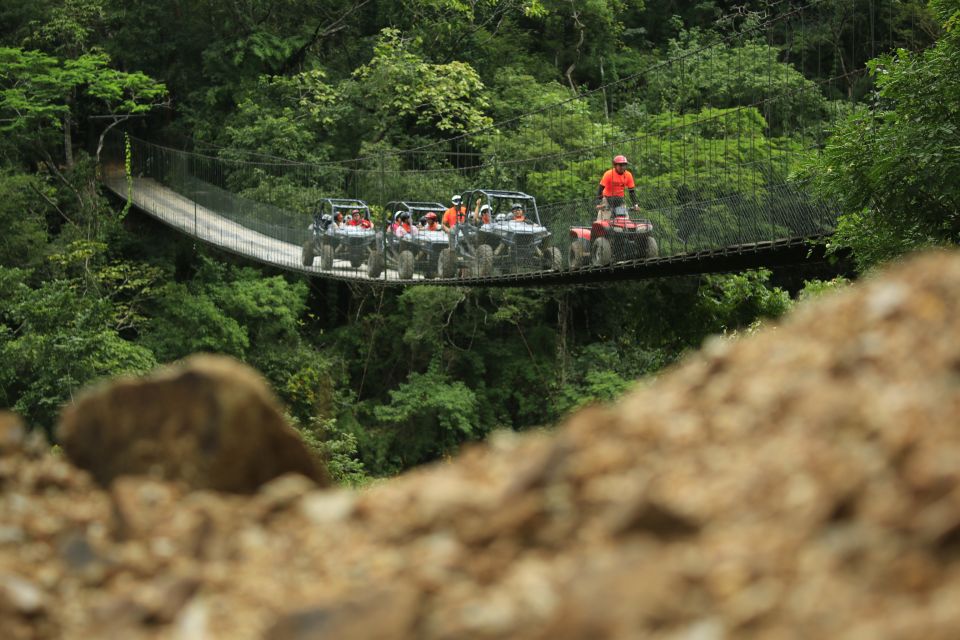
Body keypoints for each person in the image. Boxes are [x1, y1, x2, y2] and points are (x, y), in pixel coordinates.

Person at [596, 154, 640, 220]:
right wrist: (599, 203)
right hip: (607, 198)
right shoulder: (608, 174)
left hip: (619, 200)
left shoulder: (628, 175)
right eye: (620, 165)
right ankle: (599, 228)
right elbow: (600, 189)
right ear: (615, 165)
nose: (622, 167)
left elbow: (632, 192)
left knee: (624, 220)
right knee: (604, 220)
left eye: (624, 165)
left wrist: (635, 204)